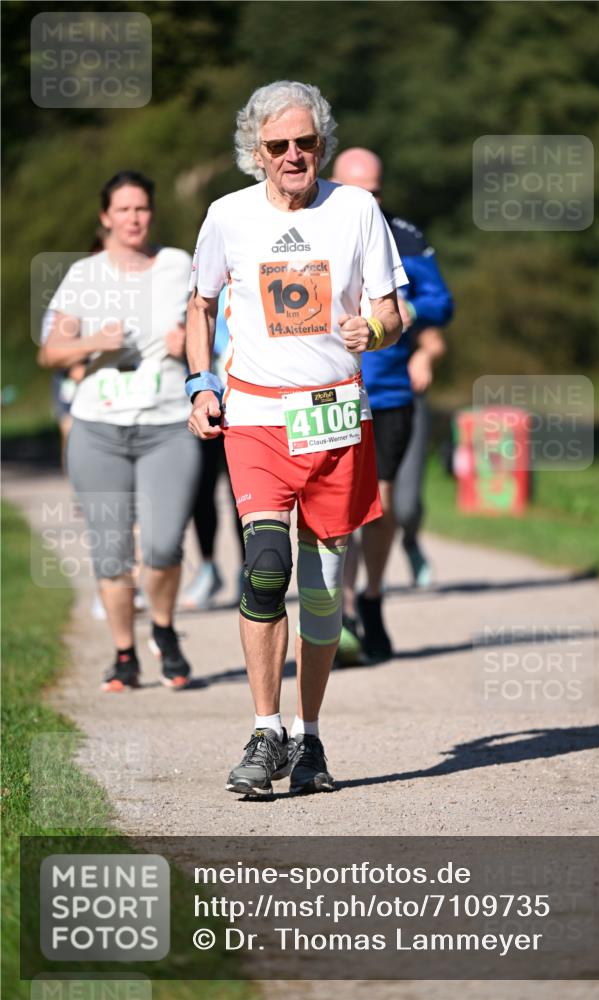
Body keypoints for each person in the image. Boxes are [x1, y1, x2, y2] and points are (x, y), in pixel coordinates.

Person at [186, 80, 406, 797]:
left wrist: (370, 328)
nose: (292, 155)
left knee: (319, 593)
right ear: (256, 149)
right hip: (255, 417)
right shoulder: (227, 215)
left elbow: (392, 312)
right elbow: (201, 303)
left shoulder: (356, 209)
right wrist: (199, 383)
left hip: (334, 416)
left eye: (304, 143)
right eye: (277, 145)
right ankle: (263, 728)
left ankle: (308, 740)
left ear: (321, 145)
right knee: (265, 566)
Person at [40, 170, 200, 691]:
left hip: (168, 424)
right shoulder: (84, 275)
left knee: (163, 546)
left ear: (152, 213)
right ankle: (125, 656)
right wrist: (95, 343)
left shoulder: (178, 264)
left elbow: (217, 319)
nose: (134, 218)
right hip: (99, 429)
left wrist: (191, 338)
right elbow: (51, 351)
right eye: (124, 209)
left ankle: (163, 628)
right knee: (110, 552)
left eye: (142, 208)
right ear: (105, 217)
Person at [331, 148, 453, 662]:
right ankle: (339, 614)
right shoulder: (310, 229)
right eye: (356, 189)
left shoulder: (403, 235)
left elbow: (443, 302)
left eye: (375, 191)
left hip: (387, 395)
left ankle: (371, 598)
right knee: (336, 513)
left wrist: (411, 311)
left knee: (378, 507)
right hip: (328, 393)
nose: (367, 200)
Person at [181, 290, 245, 610]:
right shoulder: (197, 283)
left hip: (245, 403)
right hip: (203, 403)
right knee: (201, 491)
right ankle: (208, 569)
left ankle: (249, 571)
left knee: (243, 495)